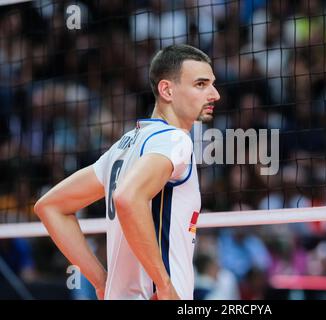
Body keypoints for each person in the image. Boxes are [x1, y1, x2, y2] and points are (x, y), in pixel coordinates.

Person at [34, 44, 220, 300]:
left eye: (212, 84)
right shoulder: (175, 140)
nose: (215, 94)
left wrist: (101, 282)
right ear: (167, 89)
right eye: (201, 84)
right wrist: (164, 286)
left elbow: (50, 206)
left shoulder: (123, 146)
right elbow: (128, 197)